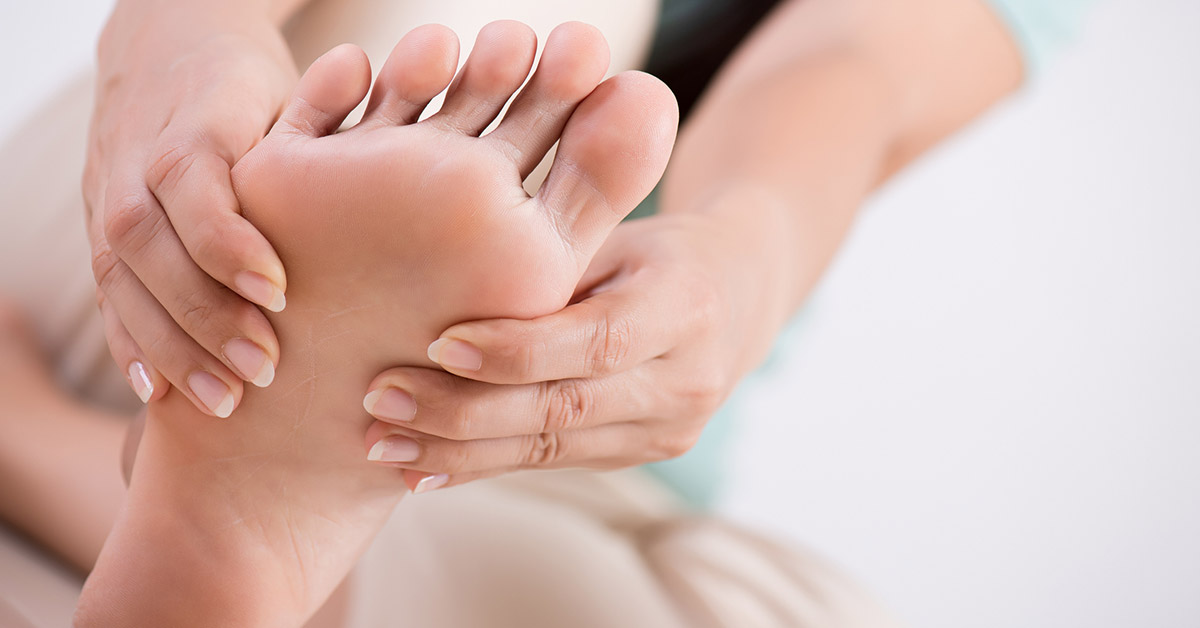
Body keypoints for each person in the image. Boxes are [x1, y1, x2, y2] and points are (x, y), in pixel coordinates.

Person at [0, 0, 1097, 625]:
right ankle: (232, 499)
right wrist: (174, 38)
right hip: (163, 245)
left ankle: (154, 494)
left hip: (559, 441)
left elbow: (843, 69)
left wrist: (731, 279)